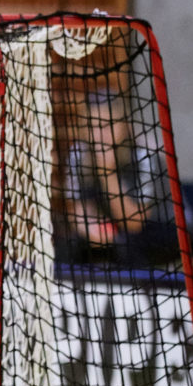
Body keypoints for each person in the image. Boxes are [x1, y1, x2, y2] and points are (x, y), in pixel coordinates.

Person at [59, 89, 179, 268]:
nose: (101, 134)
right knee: (65, 246)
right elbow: (77, 208)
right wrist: (89, 227)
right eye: (93, 126)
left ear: (124, 125)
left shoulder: (143, 154)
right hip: (112, 231)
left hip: (157, 229)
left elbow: (134, 223)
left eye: (108, 125)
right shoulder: (79, 153)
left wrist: (107, 172)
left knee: (129, 243)